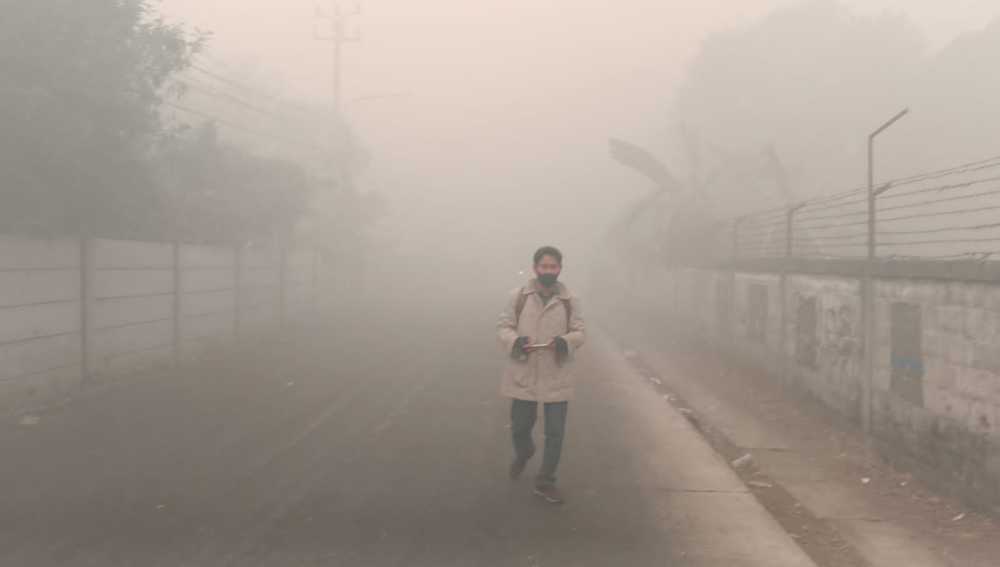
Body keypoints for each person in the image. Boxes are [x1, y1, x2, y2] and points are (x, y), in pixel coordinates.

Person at [497, 246, 586, 504]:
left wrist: (565, 342)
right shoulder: (518, 297)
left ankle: (545, 481)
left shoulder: (570, 301)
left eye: (553, 267)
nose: (548, 271)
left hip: (557, 372)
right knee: (520, 427)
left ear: (560, 269)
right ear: (535, 267)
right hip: (524, 370)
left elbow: (580, 332)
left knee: (555, 432)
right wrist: (514, 341)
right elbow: (504, 326)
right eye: (544, 266)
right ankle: (524, 452)